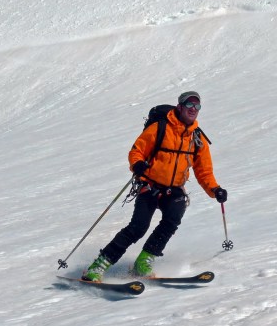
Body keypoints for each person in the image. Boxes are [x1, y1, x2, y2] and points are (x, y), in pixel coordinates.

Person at [82, 91, 228, 282]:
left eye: (197, 106)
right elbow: (137, 151)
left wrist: (215, 189)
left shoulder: (197, 138)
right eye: (189, 105)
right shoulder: (160, 128)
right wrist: (137, 164)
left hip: (175, 189)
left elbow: (204, 171)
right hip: (150, 186)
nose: (193, 109)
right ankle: (98, 265)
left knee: (171, 221)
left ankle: (143, 262)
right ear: (180, 107)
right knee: (138, 228)